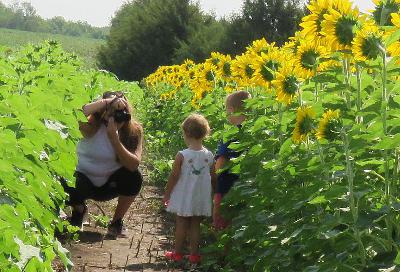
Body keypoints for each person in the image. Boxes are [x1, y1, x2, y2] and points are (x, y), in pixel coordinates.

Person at [63, 91, 143, 237]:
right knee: (64, 174)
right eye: (112, 111)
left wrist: (114, 139)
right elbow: (74, 114)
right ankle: (78, 210)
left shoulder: (133, 130)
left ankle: (116, 221)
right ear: (102, 111)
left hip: (109, 184)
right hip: (82, 180)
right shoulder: (91, 125)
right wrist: (107, 102)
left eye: (121, 111)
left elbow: (133, 165)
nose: (116, 115)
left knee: (134, 177)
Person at [163, 114, 216, 264]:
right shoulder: (209, 155)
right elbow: (213, 177)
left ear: (186, 133)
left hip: (185, 196)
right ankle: (194, 255)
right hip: (200, 196)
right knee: (195, 225)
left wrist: (167, 194)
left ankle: (177, 253)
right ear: (205, 133)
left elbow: (173, 177)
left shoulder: (182, 155)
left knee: (181, 223)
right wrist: (215, 194)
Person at [213, 90, 250, 230]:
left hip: (225, 185)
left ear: (231, 110)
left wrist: (213, 177)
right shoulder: (253, 132)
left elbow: (221, 160)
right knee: (237, 221)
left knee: (220, 218)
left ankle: (222, 248)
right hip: (245, 187)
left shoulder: (230, 134)